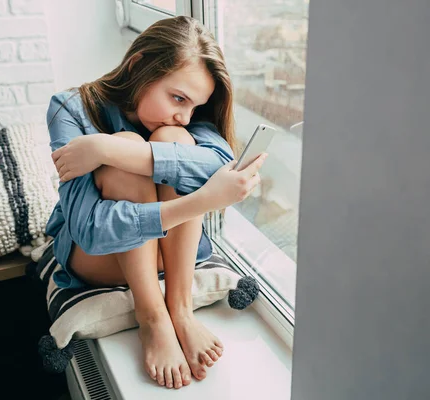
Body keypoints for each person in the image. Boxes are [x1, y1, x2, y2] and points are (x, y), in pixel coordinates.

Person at [45, 16, 267, 390]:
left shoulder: (184, 119)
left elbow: (218, 164)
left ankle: (179, 309)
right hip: (100, 256)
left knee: (169, 139)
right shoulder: (71, 108)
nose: (186, 114)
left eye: (195, 107)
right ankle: (153, 316)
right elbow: (93, 231)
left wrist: (104, 148)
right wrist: (200, 200)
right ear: (139, 66)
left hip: (170, 253)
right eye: (178, 98)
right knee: (131, 152)